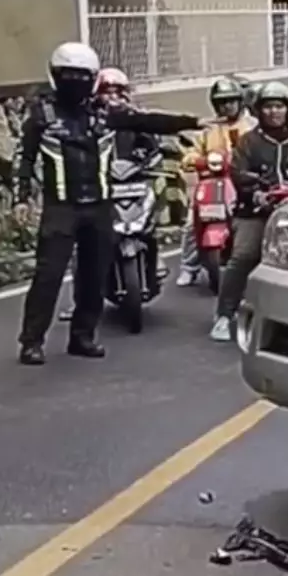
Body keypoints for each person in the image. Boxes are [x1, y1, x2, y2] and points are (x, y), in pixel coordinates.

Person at [14, 43, 198, 366]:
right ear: (55, 76)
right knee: (48, 276)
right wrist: (21, 198)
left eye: (82, 76)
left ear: (93, 78)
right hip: (61, 207)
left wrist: (191, 121)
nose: (75, 82)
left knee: (94, 275)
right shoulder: (42, 115)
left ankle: (83, 337)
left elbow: (147, 121)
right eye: (68, 75)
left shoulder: (104, 113)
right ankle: (31, 341)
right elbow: (24, 158)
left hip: (100, 206)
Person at [210, 81, 288, 342]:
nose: (274, 112)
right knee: (244, 256)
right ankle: (224, 315)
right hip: (256, 210)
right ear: (259, 111)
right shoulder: (249, 141)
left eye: (279, 106)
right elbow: (238, 173)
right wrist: (257, 192)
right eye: (268, 107)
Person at [177, 77, 255, 286]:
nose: (227, 106)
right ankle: (188, 267)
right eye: (222, 102)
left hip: (241, 182)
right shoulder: (208, 128)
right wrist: (193, 159)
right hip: (212, 182)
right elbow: (192, 152)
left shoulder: (251, 126)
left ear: (240, 102)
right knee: (191, 222)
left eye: (231, 100)